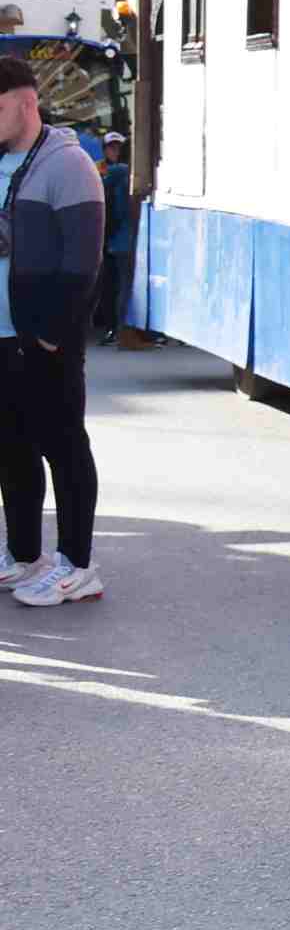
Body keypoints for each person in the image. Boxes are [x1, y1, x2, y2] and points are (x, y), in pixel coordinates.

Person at [1, 58, 108, 608]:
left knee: (62, 448)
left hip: (42, 337)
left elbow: (84, 262)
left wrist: (55, 333)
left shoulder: (68, 166)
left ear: (25, 103)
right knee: (11, 449)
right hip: (0, 335)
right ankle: (24, 556)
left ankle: (77, 565)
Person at [93, 132, 132, 345]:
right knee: (115, 285)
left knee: (115, 284)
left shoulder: (116, 174)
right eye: (111, 147)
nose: (114, 151)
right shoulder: (102, 171)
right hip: (113, 238)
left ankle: (116, 328)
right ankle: (117, 328)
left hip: (111, 238)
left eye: (118, 147)